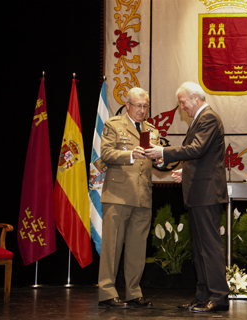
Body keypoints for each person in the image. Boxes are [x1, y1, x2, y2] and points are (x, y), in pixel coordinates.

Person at [145, 81, 229, 313]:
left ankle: (219, 297)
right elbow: (203, 156)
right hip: (199, 191)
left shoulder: (208, 117)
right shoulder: (200, 119)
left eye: (183, 102)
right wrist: (186, 170)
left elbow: (197, 149)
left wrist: (162, 151)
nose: (182, 107)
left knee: (209, 247)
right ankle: (203, 296)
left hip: (206, 193)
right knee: (199, 247)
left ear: (195, 98)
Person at [98, 87, 161, 309]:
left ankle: (134, 292)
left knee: (137, 249)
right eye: (138, 106)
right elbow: (105, 154)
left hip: (143, 196)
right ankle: (107, 292)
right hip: (118, 195)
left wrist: (160, 160)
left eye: (145, 106)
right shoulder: (113, 125)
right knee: (112, 247)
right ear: (128, 106)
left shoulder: (152, 131)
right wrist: (129, 155)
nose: (142, 110)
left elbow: (156, 157)